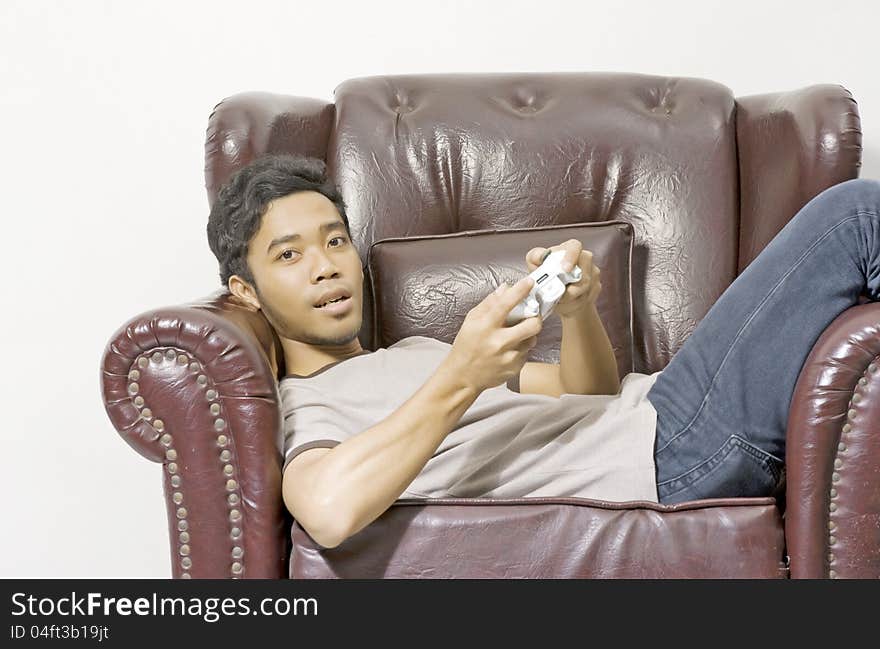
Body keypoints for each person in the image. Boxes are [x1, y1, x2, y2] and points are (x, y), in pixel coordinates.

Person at [207, 153, 880, 548]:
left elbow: (583, 391)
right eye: (289, 255)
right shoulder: (305, 402)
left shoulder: (408, 350)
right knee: (854, 215)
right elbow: (326, 510)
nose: (325, 266)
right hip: (669, 449)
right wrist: (462, 376)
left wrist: (581, 310)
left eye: (333, 241)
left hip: (658, 411)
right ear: (246, 290)